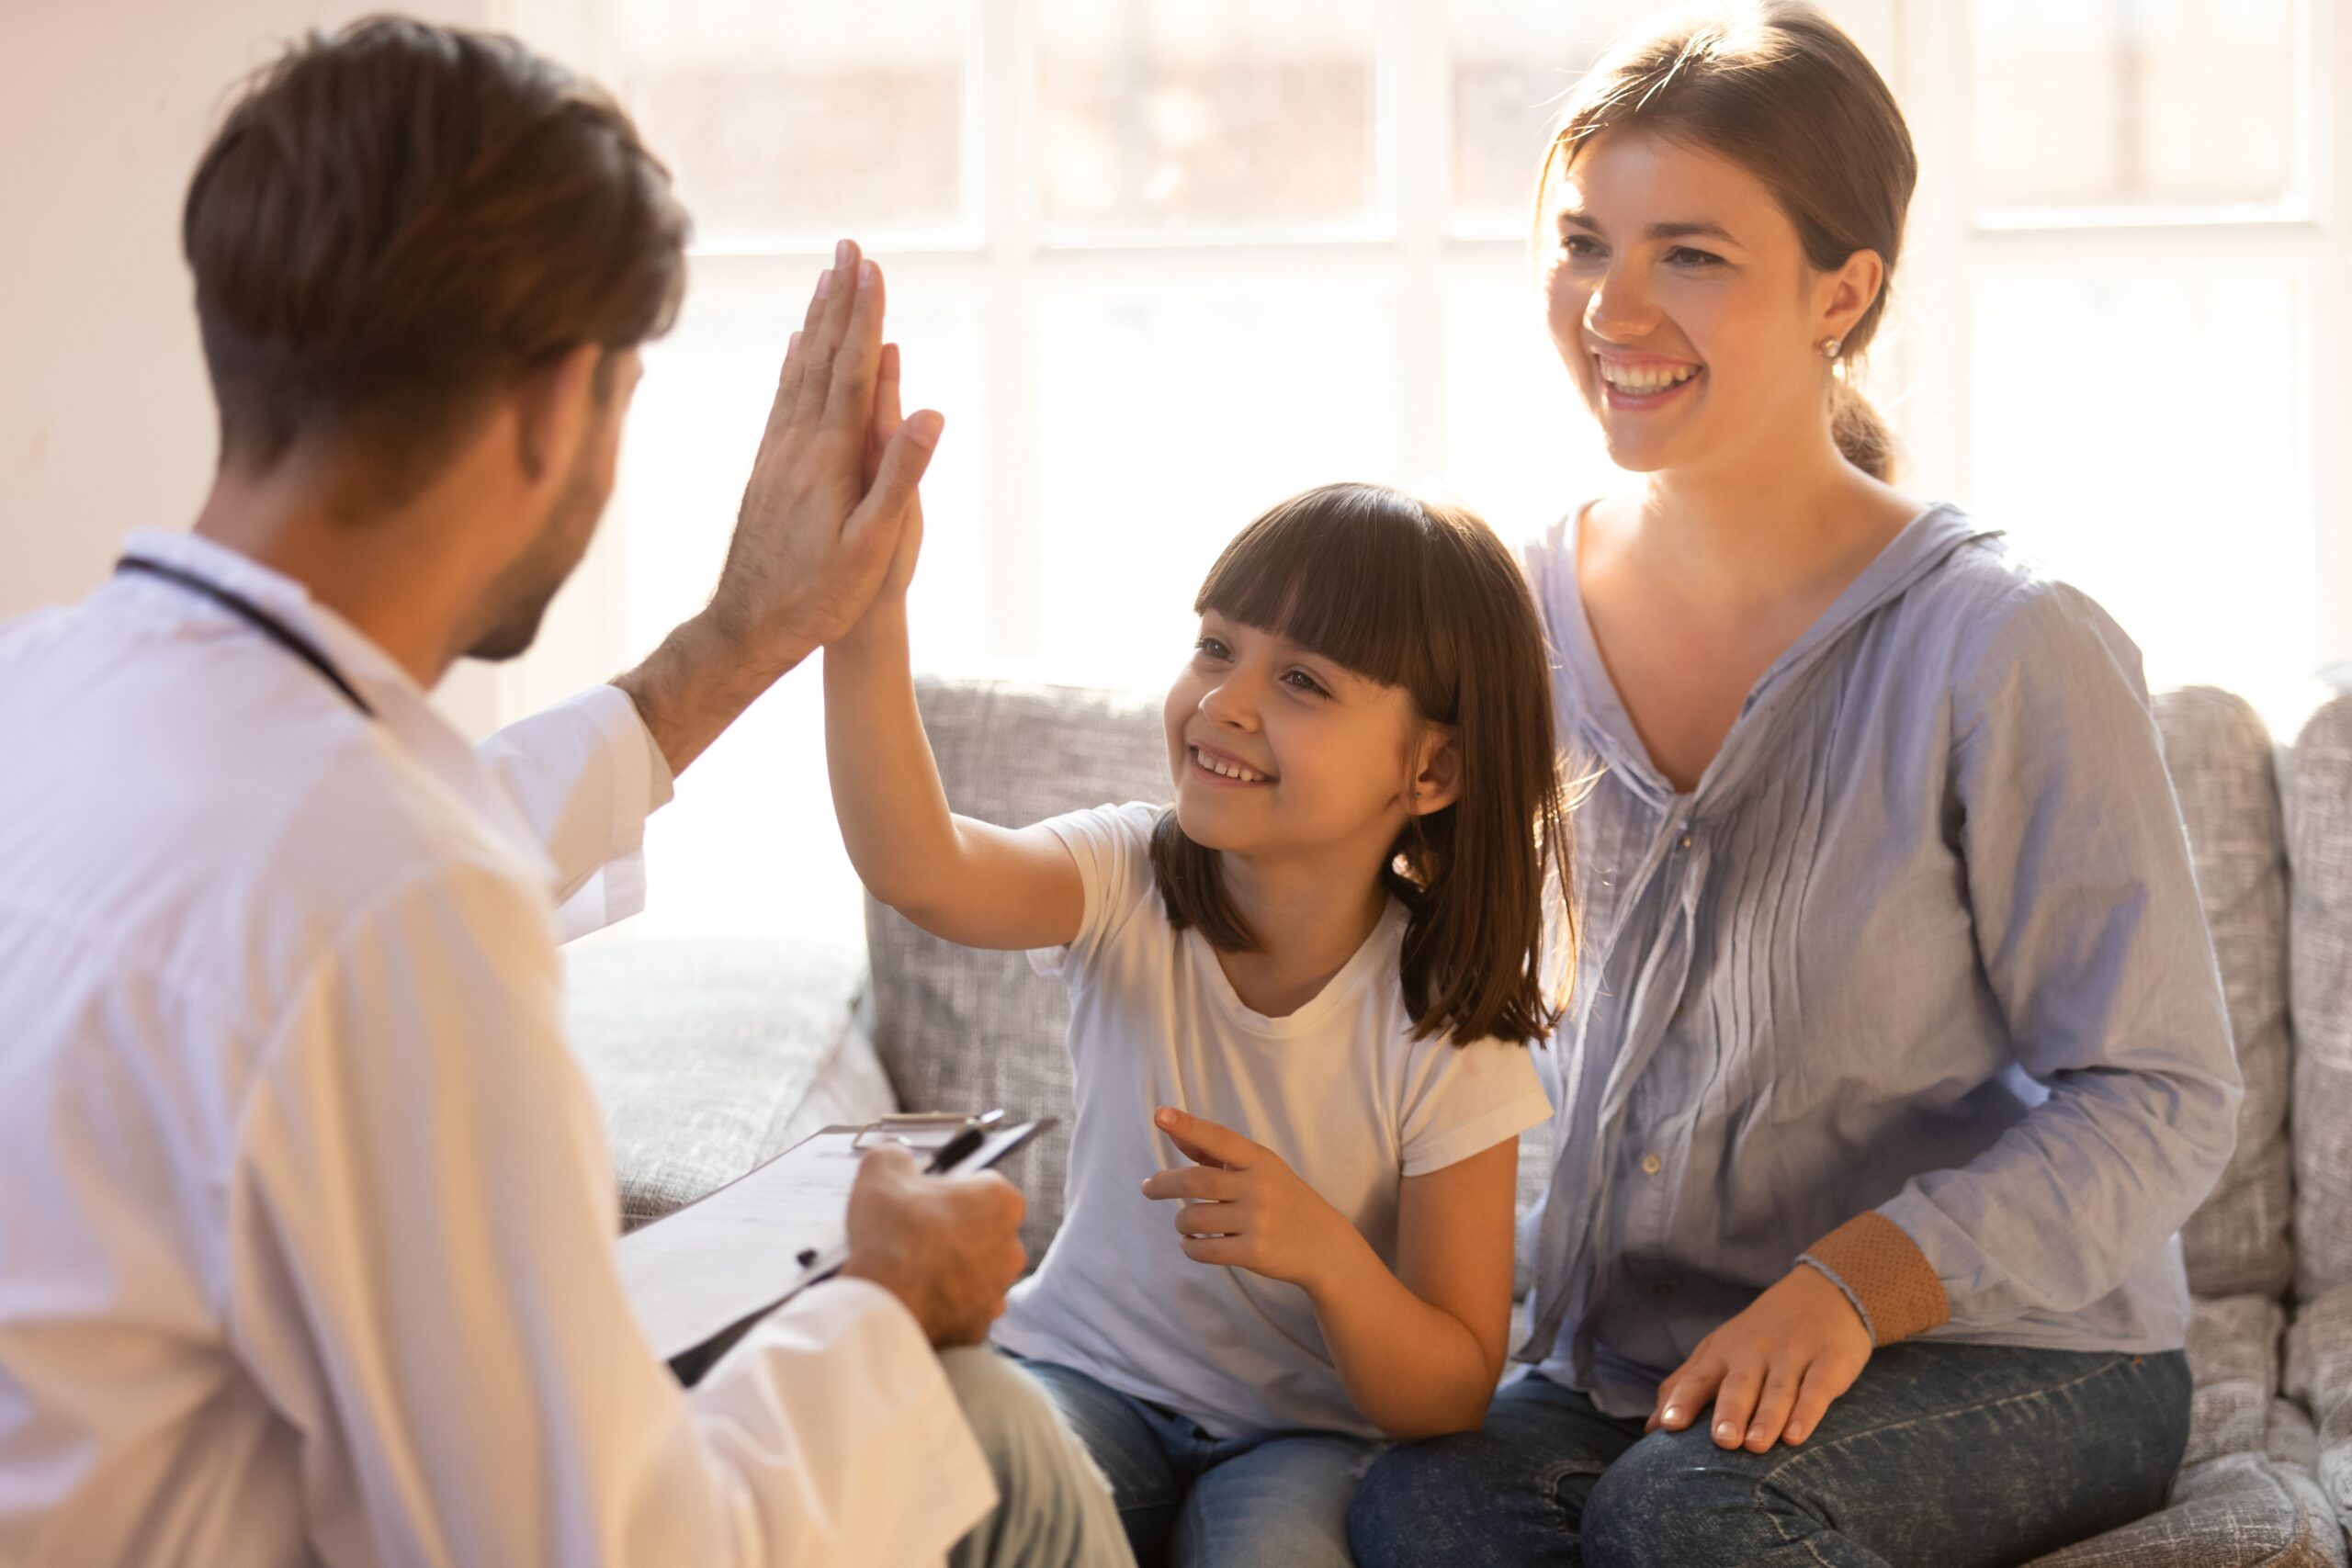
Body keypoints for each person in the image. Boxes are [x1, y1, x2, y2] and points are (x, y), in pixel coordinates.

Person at [0, 18, 1127, 1568]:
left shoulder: (48, 693)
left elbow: (336, 868)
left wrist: (739, 642)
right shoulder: (388, 900)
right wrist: (885, 1296)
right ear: (556, 402)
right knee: (995, 1446)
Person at [1348, 5, 2243, 1565]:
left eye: (1689, 254)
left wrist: (1853, 1284)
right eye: (1581, 242)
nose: (1611, 306)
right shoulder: (1512, 617)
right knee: (1426, 1500)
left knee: (1698, 1515)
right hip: (1633, 1359)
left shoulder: (2006, 643)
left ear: (1846, 292)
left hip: (2010, 1353)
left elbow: (2164, 1097)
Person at [818, 479, 1572, 1565]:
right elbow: (919, 867)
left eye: (1302, 679)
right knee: (955, 1487)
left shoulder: (1450, 1023)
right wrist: (864, 622)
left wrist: (1326, 1253)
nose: (1224, 700)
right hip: (1081, 1377)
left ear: (1430, 768)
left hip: (1305, 1442)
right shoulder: (1125, 875)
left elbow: (1451, 1391)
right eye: (1216, 647)